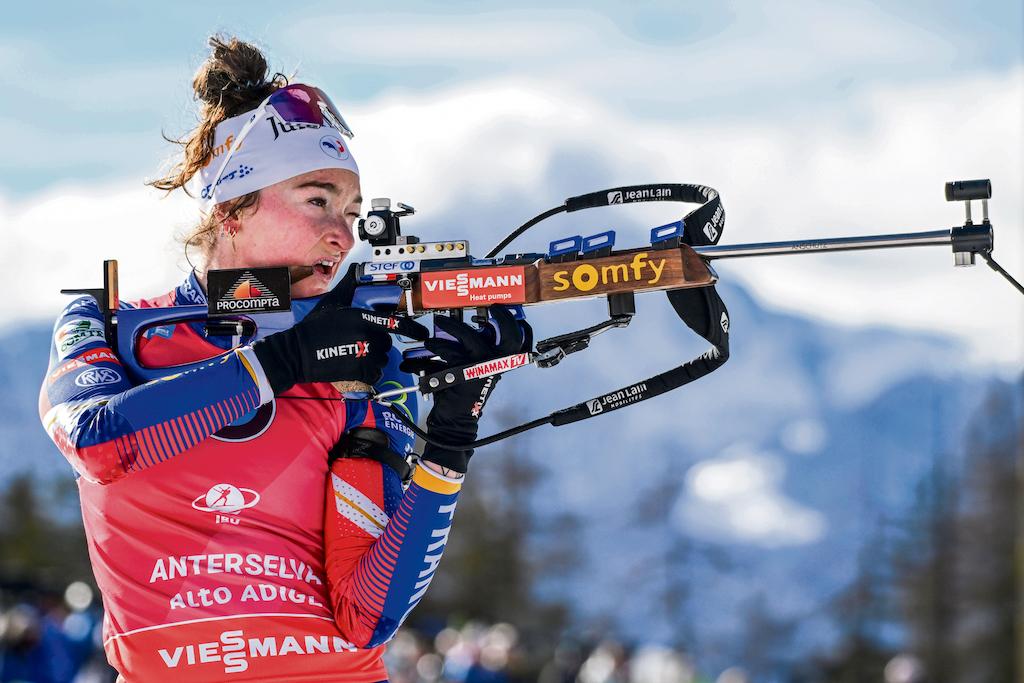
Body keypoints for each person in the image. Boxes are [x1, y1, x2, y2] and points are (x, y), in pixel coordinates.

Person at [37, 35, 529, 682]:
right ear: (232, 206)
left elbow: (367, 613)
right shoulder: (112, 327)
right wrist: (285, 360)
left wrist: (451, 437)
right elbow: (100, 444)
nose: (343, 233)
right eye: (317, 199)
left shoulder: (360, 360)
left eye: (353, 212)